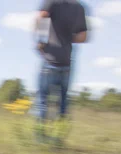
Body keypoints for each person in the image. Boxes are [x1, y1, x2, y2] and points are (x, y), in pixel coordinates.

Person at [33, 0, 88, 142]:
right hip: (67, 63)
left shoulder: (52, 2)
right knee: (63, 102)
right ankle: (58, 139)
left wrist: (41, 41)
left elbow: (42, 17)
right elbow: (83, 37)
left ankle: (40, 138)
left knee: (43, 100)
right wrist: (67, 37)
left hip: (50, 60)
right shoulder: (79, 7)